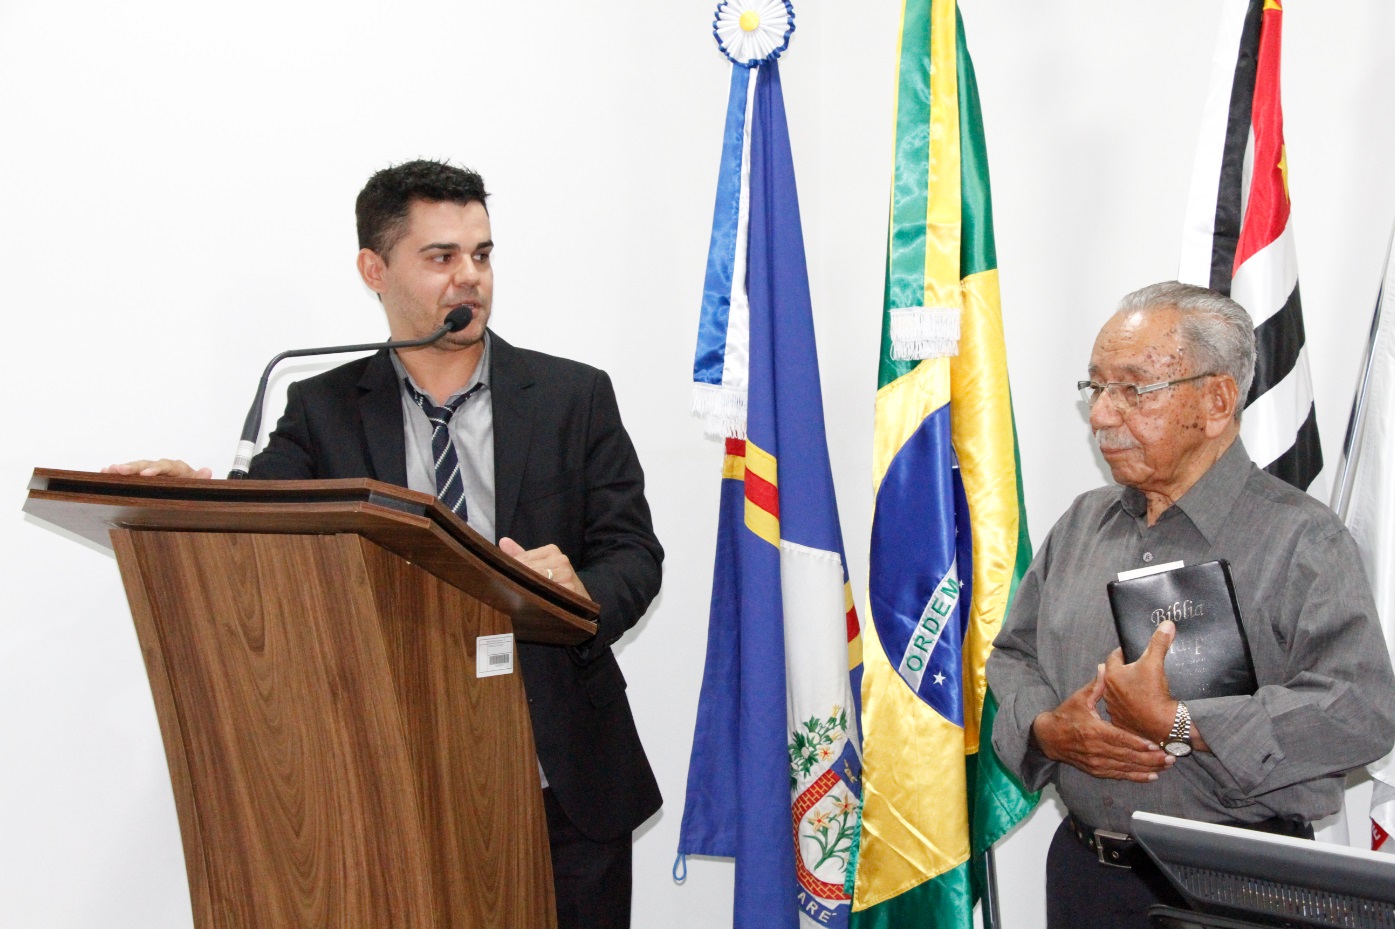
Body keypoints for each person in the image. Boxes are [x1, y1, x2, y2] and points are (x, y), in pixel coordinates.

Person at [106, 159, 663, 929]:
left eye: (482, 254)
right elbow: (260, 536)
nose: (469, 277)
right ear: (375, 268)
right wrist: (185, 501)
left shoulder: (574, 395)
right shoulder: (322, 408)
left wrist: (581, 591)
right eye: (441, 257)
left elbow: (635, 552)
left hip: (561, 780)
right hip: (392, 781)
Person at [986, 281, 1395, 929]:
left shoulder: (1300, 539)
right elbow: (1012, 654)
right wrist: (1045, 729)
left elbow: (1360, 711)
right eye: (1095, 388)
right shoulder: (1081, 523)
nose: (1100, 416)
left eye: (1133, 388)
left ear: (1215, 401)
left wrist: (1180, 722)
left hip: (1237, 894)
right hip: (1084, 877)